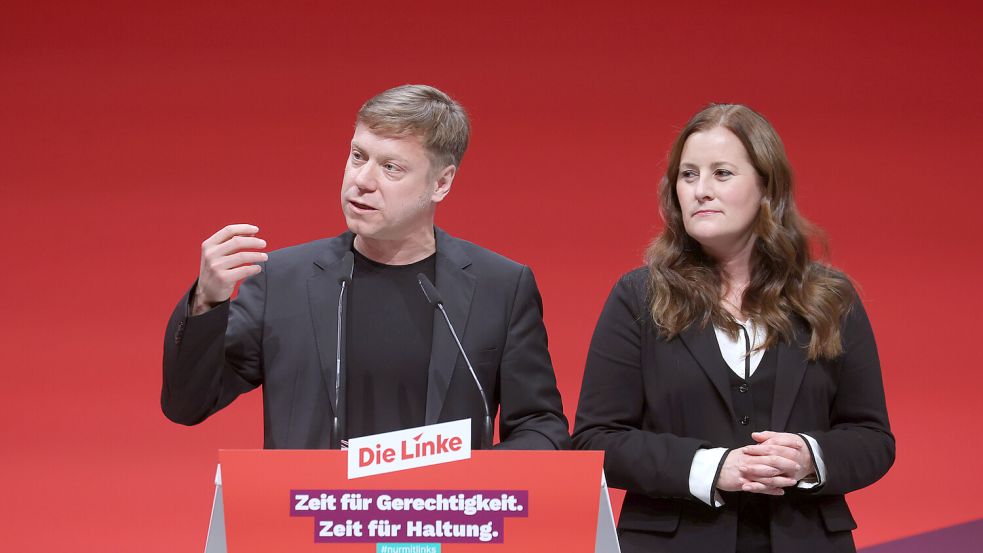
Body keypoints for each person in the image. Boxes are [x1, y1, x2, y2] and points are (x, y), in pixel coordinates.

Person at [162, 84, 569, 451]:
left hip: (441, 527)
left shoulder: (500, 287)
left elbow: (542, 426)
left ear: (441, 183)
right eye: (358, 156)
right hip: (313, 526)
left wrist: (473, 479)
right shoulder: (282, 280)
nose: (362, 180)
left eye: (391, 167)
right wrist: (207, 301)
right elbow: (188, 404)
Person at [572, 104, 894, 552]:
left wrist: (810, 457)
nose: (701, 190)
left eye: (721, 174)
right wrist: (710, 467)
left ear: (767, 187)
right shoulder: (638, 296)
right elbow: (594, 441)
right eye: (688, 175)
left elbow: (873, 439)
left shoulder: (830, 297)